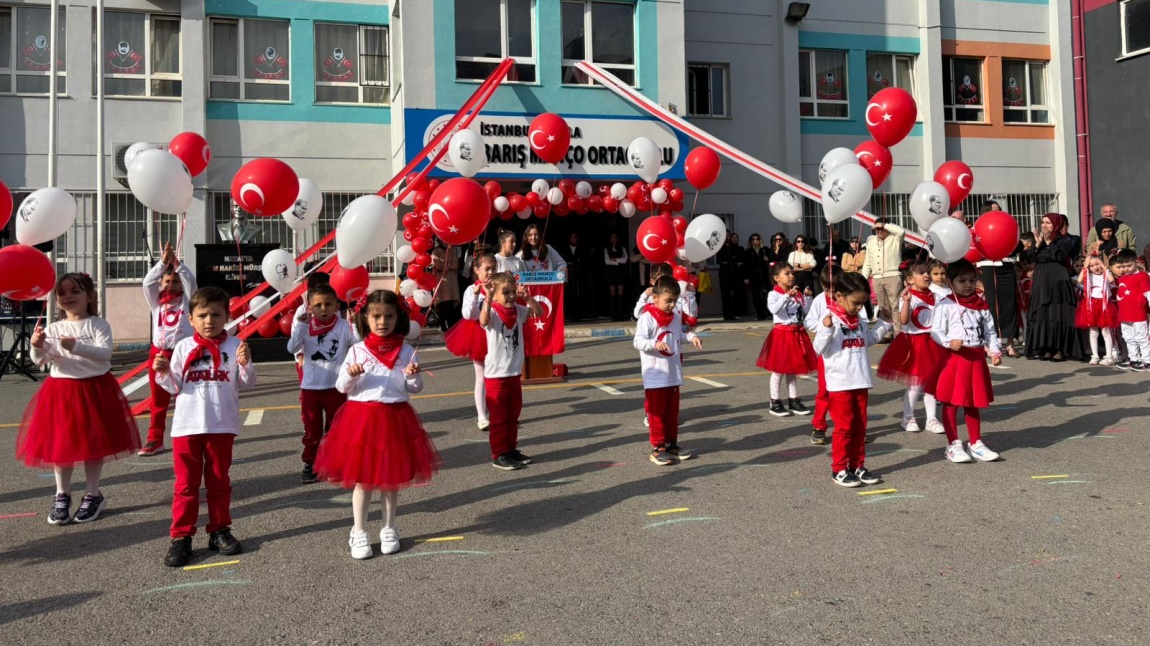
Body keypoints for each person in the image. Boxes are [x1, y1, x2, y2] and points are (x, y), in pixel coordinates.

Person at [314, 290, 440, 559]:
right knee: (363, 482)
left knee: (390, 482)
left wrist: (412, 376)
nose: (383, 322)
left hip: (395, 419)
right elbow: (340, 387)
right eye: (377, 316)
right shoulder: (357, 350)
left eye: (389, 316)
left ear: (399, 318)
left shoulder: (406, 351)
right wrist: (349, 374)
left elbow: (414, 388)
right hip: (362, 421)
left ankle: (389, 527)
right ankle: (358, 530)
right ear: (365, 318)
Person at [18, 273, 140, 525]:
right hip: (61, 392)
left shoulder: (98, 324)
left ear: (89, 296)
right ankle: (61, 494)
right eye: (62, 293)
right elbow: (40, 361)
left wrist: (75, 347)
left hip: (95, 390)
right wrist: (37, 345)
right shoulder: (54, 327)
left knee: (93, 445)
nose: (68, 297)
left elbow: (105, 355)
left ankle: (93, 494)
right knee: (61, 446)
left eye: (75, 291)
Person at [153, 286, 256, 566]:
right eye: (202, 315)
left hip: (221, 425)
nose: (209, 320)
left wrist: (245, 365)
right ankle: (181, 537)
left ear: (227, 317)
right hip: (187, 426)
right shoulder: (184, 347)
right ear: (191, 319)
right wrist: (162, 371)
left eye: (216, 315)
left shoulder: (236, 346)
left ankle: (219, 529)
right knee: (186, 486)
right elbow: (173, 385)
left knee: (219, 482)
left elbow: (246, 382)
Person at [813, 271, 891, 488]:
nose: (859, 307)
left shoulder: (859, 320)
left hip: (861, 382)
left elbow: (869, 339)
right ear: (839, 296)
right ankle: (839, 468)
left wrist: (885, 323)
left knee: (860, 428)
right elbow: (818, 348)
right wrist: (826, 329)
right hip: (840, 385)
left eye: (863, 303)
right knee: (844, 428)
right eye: (856, 303)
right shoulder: (830, 319)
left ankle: (858, 465)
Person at [931, 260, 1002, 464]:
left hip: (976, 359)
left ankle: (976, 442)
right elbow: (936, 331)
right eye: (962, 281)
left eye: (972, 280)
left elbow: (989, 331)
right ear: (950, 282)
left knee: (973, 402)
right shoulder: (946, 304)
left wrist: (994, 351)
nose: (968, 285)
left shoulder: (981, 305)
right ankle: (953, 444)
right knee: (952, 402)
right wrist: (947, 342)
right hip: (955, 359)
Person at [288, 283, 357, 484]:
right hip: (311, 388)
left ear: (337, 306)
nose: (324, 309)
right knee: (312, 429)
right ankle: (311, 462)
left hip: (336, 387)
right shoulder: (305, 326)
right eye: (318, 305)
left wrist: (356, 324)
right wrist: (300, 326)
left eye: (329, 304)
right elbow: (292, 347)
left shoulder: (344, 326)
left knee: (336, 428)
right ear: (310, 307)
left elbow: (358, 344)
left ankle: (336, 462)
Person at [633, 276, 703, 466]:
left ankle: (672, 443)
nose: (672, 305)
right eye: (668, 301)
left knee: (672, 412)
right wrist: (654, 343)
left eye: (674, 301)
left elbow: (679, 334)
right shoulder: (646, 318)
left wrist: (691, 336)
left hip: (673, 373)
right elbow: (638, 341)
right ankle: (658, 447)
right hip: (656, 375)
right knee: (657, 413)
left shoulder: (675, 316)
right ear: (655, 298)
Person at [480, 272, 543, 471]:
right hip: (496, 375)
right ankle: (499, 454)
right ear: (495, 295)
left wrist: (528, 298)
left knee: (513, 415)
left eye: (513, 292)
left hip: (514, 372)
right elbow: (483, 321)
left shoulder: (519, 309)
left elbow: (539, 313)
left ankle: (510, 449)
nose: (511, 296)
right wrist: (488, 299)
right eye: (505, 292)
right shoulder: (494, 311)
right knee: (499, 418)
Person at [140, 242, 197, 456]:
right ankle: (155, 439)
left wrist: (177, 264)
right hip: (159, 353)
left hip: (182, 353)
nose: (171, 285)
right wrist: (163, 263)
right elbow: (147, 283)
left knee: (187, 394)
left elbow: (190, 281)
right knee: (158, 399)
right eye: (167, 281)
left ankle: (192, 434)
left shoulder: (188, 301)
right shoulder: (156, 302)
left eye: (175, 282)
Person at [877, 260, 945, 434]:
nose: (926, 275)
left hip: (932, 342)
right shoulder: (908, 295)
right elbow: (904, 320)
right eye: (921, 273)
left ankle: (931, 418)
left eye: (927, 273)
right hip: (914, 343)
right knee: (915, 383)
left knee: (931, 383)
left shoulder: (934, 294)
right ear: (910, 279)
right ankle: (908, 417)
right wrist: (906, 302)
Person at [1023, 213, 1088, 361]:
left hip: (1057, 279)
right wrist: (1038, 244)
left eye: (1048, 223)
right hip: (1041, 279)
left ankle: (1060, 349)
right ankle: (1046, 347)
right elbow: (1029, 259)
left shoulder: (1064, 240)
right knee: (1043, 313)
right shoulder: (1040, 241)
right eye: (1043, 222)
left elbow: (1059, 257)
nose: (1044, 226)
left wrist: (1049, 243)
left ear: (1056, 225)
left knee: (1058, 313)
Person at [756, 262, 816, 417]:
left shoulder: (796, 293)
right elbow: (774, 309)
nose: (791, 276)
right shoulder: (774, 294)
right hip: (782, 335)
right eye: (787, 273)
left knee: (793, 370)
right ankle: (774, 401)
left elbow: (805, 312)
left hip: (796, 333)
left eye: (792, 273)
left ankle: (793, 400)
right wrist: (786, 296)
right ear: (777, 278)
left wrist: (807, 298)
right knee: (778, 370)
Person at [444, 252, 496, 430]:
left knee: (498, 376)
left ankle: (499, 412)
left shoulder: (499, 286)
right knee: (481, 377)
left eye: (493, 268)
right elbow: (468, 314)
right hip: (478, 335)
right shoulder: (470, 289)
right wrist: (476, 295)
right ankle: (482, 416)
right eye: (487, 269)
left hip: (496, 333)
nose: (490, 272)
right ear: (477, 270)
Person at [976, 202, 1022, 357]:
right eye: (995, 211)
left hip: (1006, 267)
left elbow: (1018, 246)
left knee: (1009, 305)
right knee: (990, 306)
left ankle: (1010, 343)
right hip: (987, 268)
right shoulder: (978, 229)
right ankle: (992, 343)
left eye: (1000, 210)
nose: (998, 213)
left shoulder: (1006, 226)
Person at [803, 266, 834, 445]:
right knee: (824, 392)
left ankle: (855, 428)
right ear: (823, 285)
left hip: (847, 354)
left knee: (850, 395)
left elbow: (861, 321)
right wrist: (823, 325)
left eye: (837, 287)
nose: (833, 292)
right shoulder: (819, 300)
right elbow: (809, 322)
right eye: (829, 288)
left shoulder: (849, 297)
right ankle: (819, 426)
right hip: (827, 354)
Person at [860, 217, 906, 337]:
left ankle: (898, 332)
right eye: (877, 229)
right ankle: (888, 330)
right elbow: (867, 262)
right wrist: (862, 279)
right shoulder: (870, 241)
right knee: (883, 307)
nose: (879, 231)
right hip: (877, 277)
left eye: (881, 228)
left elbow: (901, 231)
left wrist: (885, 225)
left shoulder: (895, 238)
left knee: (895, 305)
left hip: (893, 276)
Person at [1074, 255, 1118, 366]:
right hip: (1091, 305)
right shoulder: (1088, 275)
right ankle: (1095, 355)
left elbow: (1111, 279)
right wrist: (1085, 267)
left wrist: (1104, 266)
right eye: (1092, 265)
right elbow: (1079, 280)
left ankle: (1109, 356)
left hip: (1104, 305)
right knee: (1093, 331)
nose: (1095, 267)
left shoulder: (1105, 274)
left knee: (1106, 331)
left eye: (1097, 264)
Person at [1111, 249, 1150, 370]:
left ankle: (1147, 360)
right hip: (1125, 313)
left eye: (1129, 265)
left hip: (1138, 313)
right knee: (1128, 337)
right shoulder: (1122, 278)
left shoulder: (1142, 276)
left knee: (1141, 337)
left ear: (1135, 262)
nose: (1126, 269)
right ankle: (1134, 358)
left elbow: (1148, 293)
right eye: (1123, 266)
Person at [560, 231, 592, 321]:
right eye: (572, 237)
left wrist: (573, 263)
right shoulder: (565, 249)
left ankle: (579, 315)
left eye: (575, 237)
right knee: (570, 295)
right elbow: (564, 262)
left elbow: (583, 262)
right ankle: (570, 314)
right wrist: (572, 263)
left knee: (579, 295)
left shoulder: (582, 249)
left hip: (579, 276)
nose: (573, 239)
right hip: (569, 276)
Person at [430, 242, 462, 331]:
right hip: (440, 281)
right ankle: (442, 323)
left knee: (451, 302)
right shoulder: (435, 252)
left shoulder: (452, 252)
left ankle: (451, 324)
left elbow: (455, 264)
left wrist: (444, 266)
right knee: (441, 303)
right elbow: (436, 264)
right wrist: (448, 266)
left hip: (451, 282)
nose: (444, 243)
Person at [716, 232, 745, 320]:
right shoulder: (720, 247)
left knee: (732, 294)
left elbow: (736, 259)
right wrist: (730, 261)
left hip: (732, 274)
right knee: (725, 294)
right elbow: (721, 260)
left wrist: (731, 261)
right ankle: (726, 314)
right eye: (725, 236)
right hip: (724, 274)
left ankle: (732, 314)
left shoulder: (732, 247)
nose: (727, 238)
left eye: (728, 236)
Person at [603, 232, 629, 321]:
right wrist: (617, 262)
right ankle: (613, 313)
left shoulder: (622, 248)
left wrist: (615, 259)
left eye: (615, 237)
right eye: (612, 237)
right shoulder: (607, 249)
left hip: (620, 272)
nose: (613, 239)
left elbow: (625, 259)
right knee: (612, 293)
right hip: (611, 272)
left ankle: (621, 313)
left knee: (620, 293)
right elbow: (607, 261)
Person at [746, 233, 770, 320]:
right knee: (755, 295)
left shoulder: (764, 250)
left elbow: (769, 262)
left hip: (764, 275)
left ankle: (765, 312)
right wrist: (746, 278)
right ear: (751, 241)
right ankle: (759, 313)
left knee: (765, 294)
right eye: (753, 239)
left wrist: (767, 259)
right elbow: (746, 266)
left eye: (757, 239)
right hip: (754, 276)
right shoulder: (748, 251)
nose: (755, 241)